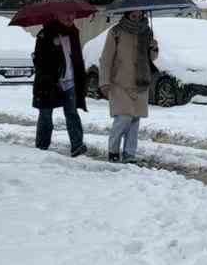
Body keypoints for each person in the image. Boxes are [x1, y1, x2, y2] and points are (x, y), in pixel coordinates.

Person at [97, 10, 158, 164]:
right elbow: (106, 59)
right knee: (123, 118)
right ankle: (113, 151)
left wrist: (154, 48)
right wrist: (104, 82)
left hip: (140, 81)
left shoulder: (147, 31)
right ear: (127, 14)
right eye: (133, 16)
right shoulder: (116, 32)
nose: (137, 18)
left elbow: (151, 58)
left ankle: (130, 154)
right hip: (120, 82)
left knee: (135, 121)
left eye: (139, 15)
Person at [32, 15, 88, 157]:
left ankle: (77, 145)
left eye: (72, 15)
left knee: (72, 113)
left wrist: (81, 78)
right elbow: (39, 60)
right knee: (45, 115)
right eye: (66, 16)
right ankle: (41, 146)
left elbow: (77, 58)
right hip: (49, 82)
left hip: (70, 81)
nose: (70, 18)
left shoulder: (73, 33)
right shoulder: (45, 34)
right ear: (58, 17)